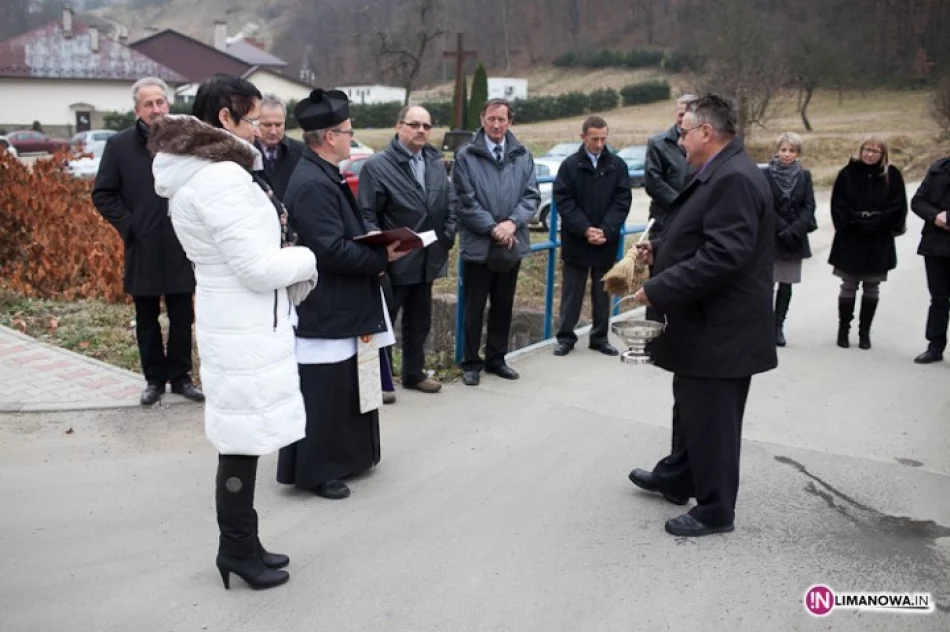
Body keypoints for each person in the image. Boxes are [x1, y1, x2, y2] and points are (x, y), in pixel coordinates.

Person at [149, 74, 318, 590]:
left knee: (242, 439)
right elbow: (256, 266)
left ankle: (245, 542)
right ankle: (237, 549)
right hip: (243, 322)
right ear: (225, 118)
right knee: (241, 443)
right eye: (251, 117)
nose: (258, 128)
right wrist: (306, 258)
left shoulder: (204, 171)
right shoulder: (220, 178)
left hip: (239, 319)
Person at [628, 94, 777, 537]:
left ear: (706, 133)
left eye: (685, 130)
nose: (679, 137)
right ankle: (678, 476)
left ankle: (715, 510)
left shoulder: (734, 178)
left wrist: (656, 289)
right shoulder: (718, 172)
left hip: (722, 329)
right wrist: (660, 250)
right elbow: (701, 235)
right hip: (704, 325)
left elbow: (723, 256)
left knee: (713, 419)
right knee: (691, 407)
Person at [277, 89, 405, 500]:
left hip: (346, 301)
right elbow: (328, 249)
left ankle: (351, 457)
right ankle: (317, 469)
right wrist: (380, 255)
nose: (353, 138)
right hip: (328, 305)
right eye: (349, 132)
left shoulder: (322, 171)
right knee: (325, 391)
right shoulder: (312, 182)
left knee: (350, 383)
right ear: (330, 136)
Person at [92, 77, 203, 406]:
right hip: (143, 247)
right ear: (137, 109)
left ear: (168, 105)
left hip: (182, 243)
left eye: (160, 102)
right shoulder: (119, 146)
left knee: (183, 316)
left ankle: (181, 377)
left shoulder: (186, 142)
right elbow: (103, 193)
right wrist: (131, 225)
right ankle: (154, 380)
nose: (156, 109)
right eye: (148, 104)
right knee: (147, 318)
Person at [358, 105, 459, 394]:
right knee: (385, 323)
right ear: (398, 126)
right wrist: (378, 249)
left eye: (426, 126)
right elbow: (367, 214)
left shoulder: (435, 163)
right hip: (394, 261)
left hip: (428, 258)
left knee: (420, 322)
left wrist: (446, 237)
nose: (421, 131)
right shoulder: (378, 166)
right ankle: (383, 381)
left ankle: (414, 374)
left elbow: (449, 203)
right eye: (414, 124)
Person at [453, 98, 540, 386]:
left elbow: (531, 196)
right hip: (480, 245)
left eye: (502, 119)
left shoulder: (522, 154)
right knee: (473, 307)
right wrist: (493, 228)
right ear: (482, 119)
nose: (496, 124)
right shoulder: (466, 156)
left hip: (511, 243)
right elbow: (465, 202)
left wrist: (512, 222)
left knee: (504, 304)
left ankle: (496, 358)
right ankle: (470, 363)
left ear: (510, 122)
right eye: (491, 118)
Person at [552, 115, 631, 357]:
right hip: (577, 238)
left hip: (605, 240)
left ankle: (599, 337)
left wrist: (605, 230)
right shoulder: (569, 166)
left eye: (603, 139)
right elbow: (564, 201)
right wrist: (585, 228)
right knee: (572, 292)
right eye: (594, 139)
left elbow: (622, 201)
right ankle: (565, 338)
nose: (599, 144)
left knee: (602, 292)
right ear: (583, 137)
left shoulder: (617, 165)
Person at [829, 135, 908, 350]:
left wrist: (877, 220)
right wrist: (856, 219)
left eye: (875, 151)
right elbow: (838, 203)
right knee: (848, 285)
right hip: (851, 237)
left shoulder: (891, 175)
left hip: (878, 238)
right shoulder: (847, 173)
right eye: (867, 149)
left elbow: (898, 205)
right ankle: (843, 329)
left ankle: (864, 332)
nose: (869, 154)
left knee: (872, 286)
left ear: (883, 154)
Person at [642, 94, 697, 322]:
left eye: (687, 114)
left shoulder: (701, 144)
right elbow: (653, 182)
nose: (681, 117)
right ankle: (653, 334)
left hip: (693, 223)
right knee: (658, 282)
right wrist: (683, 204)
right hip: (664, 223)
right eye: (679, 112)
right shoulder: (659, 143)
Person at [764, 132, 817, 347]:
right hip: (771, 236)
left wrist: (795, 229)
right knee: (766, 284)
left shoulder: (804, 176)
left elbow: (809, 205)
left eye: (792, 151)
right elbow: (765, 203)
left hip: (794, 237)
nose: (787, 154)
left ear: (798, 153)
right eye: (784, 150)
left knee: (786, 284)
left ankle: (778, 326)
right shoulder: (766, 174)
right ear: (778, 151)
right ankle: (764, 325)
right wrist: (780, 227)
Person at [910, 155, 950, 364]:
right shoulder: (938, 168)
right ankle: (935, 346)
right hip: (935, 244)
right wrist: (935, 217)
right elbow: (918, 201)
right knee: (938, 299)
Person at [255, 94, 305, 201]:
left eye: (278, 125)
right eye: (267, 125)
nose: (273, 131)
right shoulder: (246, 153)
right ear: (256, 123)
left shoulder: (301, 152)